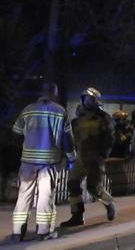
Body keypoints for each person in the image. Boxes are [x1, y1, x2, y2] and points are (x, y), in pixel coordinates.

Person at [11, 83, 76, 241]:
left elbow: (16, 133)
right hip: (49, 162)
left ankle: (18, 232)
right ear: (54, 94)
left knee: (24, 195)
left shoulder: (28, 109)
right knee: (45, 196)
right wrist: (71, 157)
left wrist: (28, 143)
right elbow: (67, 138)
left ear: (41, 93)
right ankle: (43, 232)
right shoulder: (60, 111)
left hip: (27, 161)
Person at [60, 88, 116, 227]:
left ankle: (109, 203)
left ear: (96, 100)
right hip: (81, 156)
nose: (86, 101)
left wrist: (103, 155)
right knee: (72, 183)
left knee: (93, 188)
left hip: (95, 157)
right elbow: (74, 137)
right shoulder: (78, 118)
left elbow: (110, 138)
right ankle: (77, 215)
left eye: (89, 99)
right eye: (84, 98)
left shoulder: (103, 118)